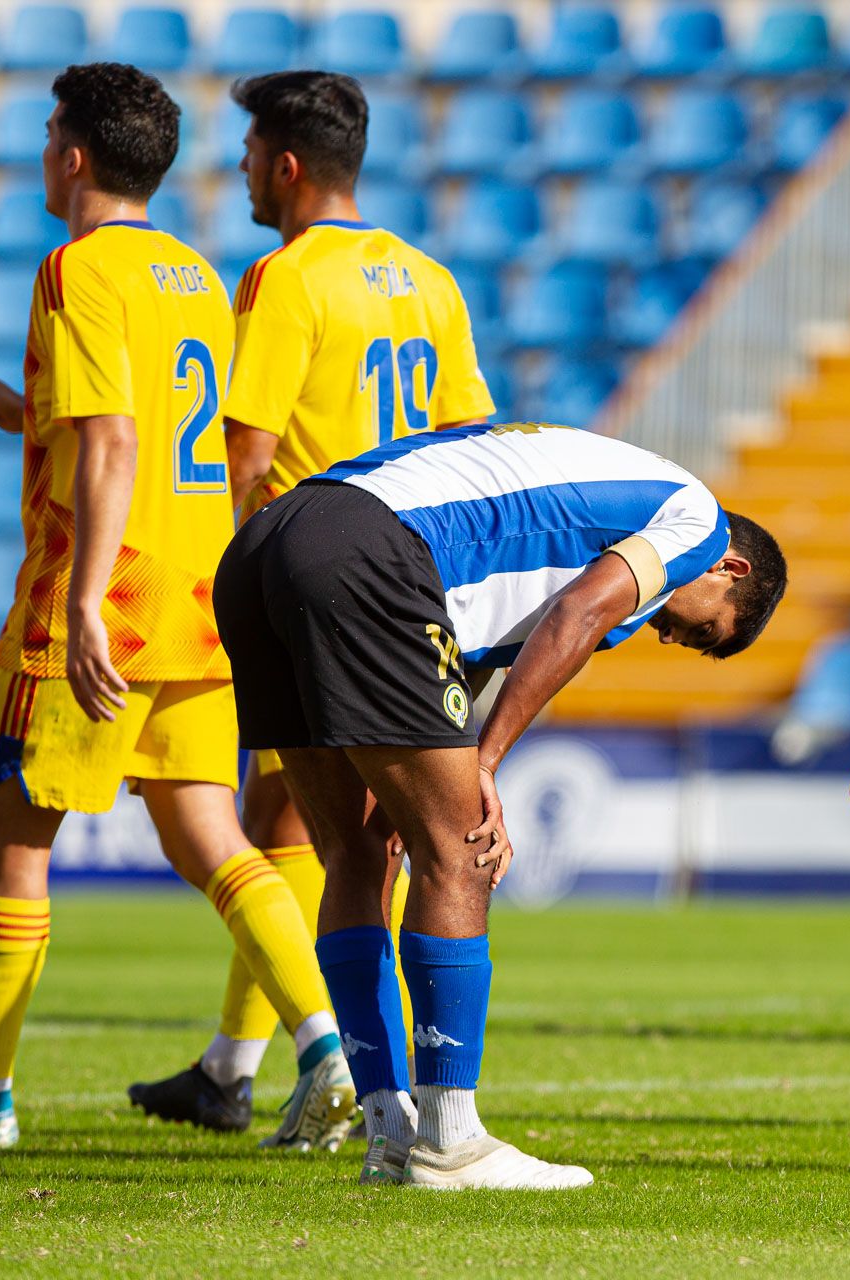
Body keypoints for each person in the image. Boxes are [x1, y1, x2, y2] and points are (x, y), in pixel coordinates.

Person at [0, 63, 347, 1150]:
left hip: (103, 592)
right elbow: (151, 423)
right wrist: (27, 414)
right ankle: (328, 1046)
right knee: (211, 833)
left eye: (51, 133)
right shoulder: (195, 274)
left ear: (72, 155)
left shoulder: (74, 269)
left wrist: (88, 605)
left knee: (9, 830)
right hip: (202, 597)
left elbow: (114, 442)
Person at [214, 421, 786, 1187]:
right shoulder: (696, 519)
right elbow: (578, 616)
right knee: (463, 853)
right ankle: (451, 1139)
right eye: (704, 628)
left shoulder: (593, 500)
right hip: (368, 553)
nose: (673, 638)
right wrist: (483, 762)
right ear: (729, 565)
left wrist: (440, 757)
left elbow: (467, 652)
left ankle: (390, 1131)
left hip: (266, 544)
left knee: (359, 849)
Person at [128, 69, 496, 1133]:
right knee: (282, 819)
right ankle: (233, 1064)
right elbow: (470, 442)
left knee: (352, 844)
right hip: (414, 581)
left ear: (285, 165)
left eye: (247, 154)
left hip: (316, 586)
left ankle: (348, 1070)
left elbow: (245, 458)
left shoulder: (284, 280)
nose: (240, 169)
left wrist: (243, 594)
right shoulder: (430, 278)